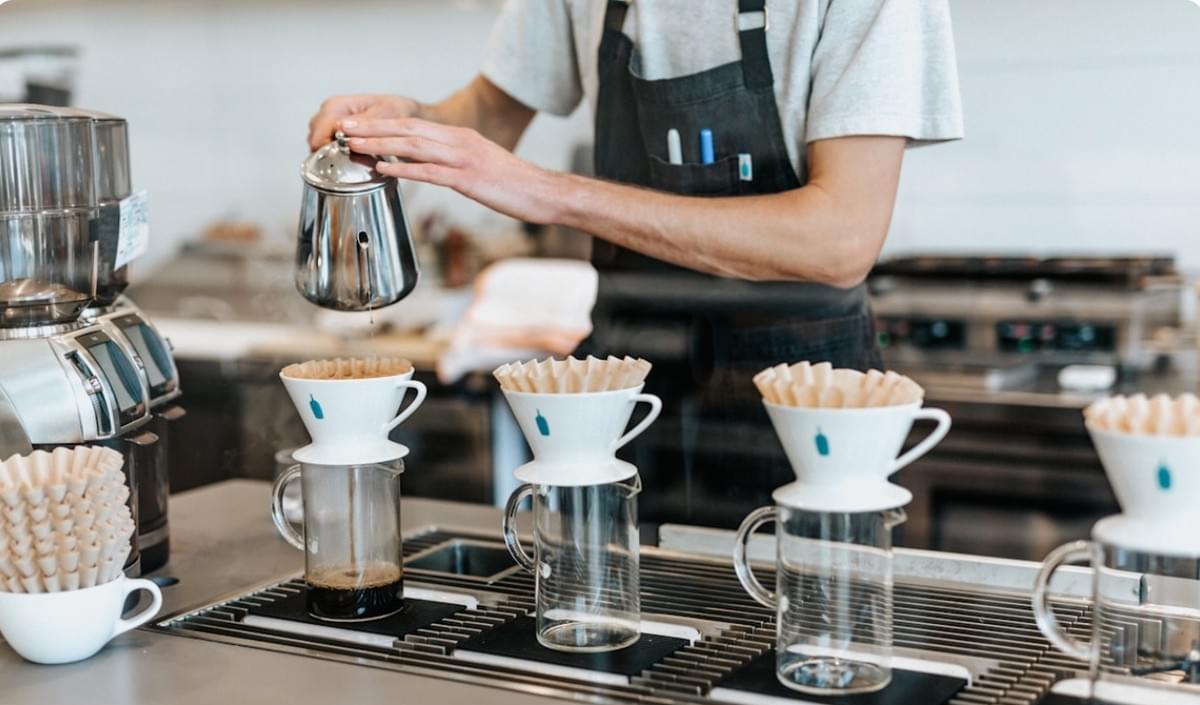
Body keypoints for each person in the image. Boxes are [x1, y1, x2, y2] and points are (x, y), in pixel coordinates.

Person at [309, 0, 963, 525]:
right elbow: (490, 113)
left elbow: (840, 241)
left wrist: (551, 194)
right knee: (605, 618)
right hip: (623, 391)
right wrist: (410, 121)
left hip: (803, 401)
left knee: (796, 633)